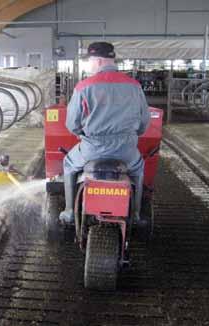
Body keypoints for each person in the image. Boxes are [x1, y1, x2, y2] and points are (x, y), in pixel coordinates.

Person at [59, 42, 151, 224]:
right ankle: (137, 215)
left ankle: (69, 212)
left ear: (99, 61)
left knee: (68, 163)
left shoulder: (84, 87)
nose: (90, 65)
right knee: (139, 169)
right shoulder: (134, 86)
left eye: (90, 61)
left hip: (92, 149)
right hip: (126, 150)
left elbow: (72, 124)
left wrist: (81, 133)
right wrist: (133, 136)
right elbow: (144, 123)